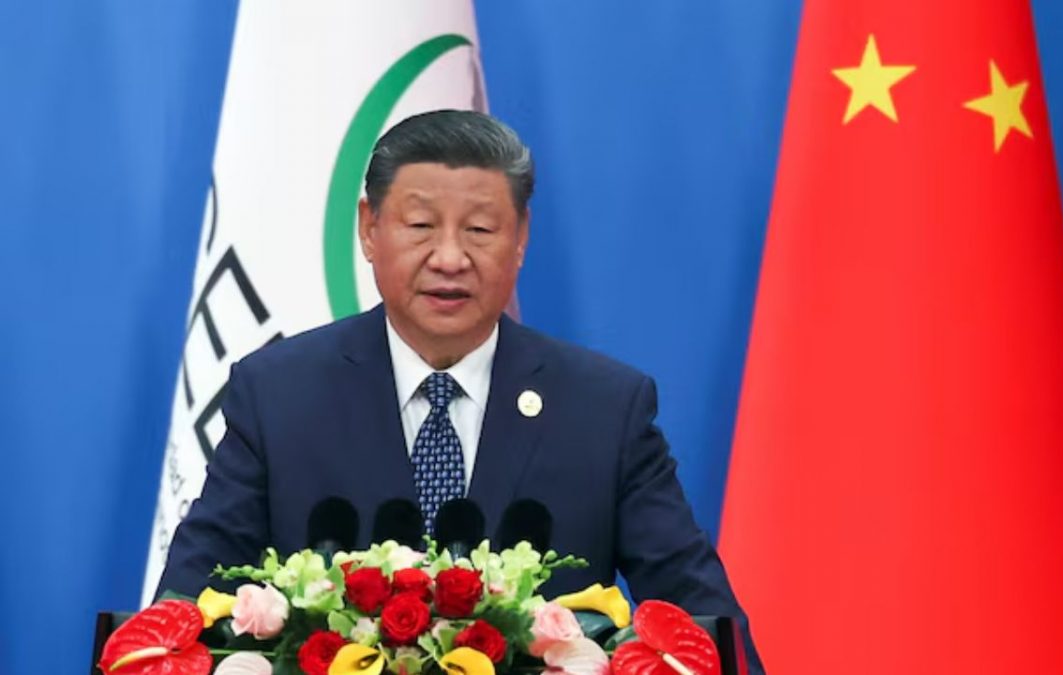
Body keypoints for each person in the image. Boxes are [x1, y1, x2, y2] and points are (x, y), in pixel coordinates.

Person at [158, 110, 761, 671]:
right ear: (370, 228)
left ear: (520, 235)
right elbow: (182, 615)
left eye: (479, 229)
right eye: (420, 225)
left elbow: (703, 630)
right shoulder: (278, 396)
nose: (450, 257)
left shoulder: (604, 410)